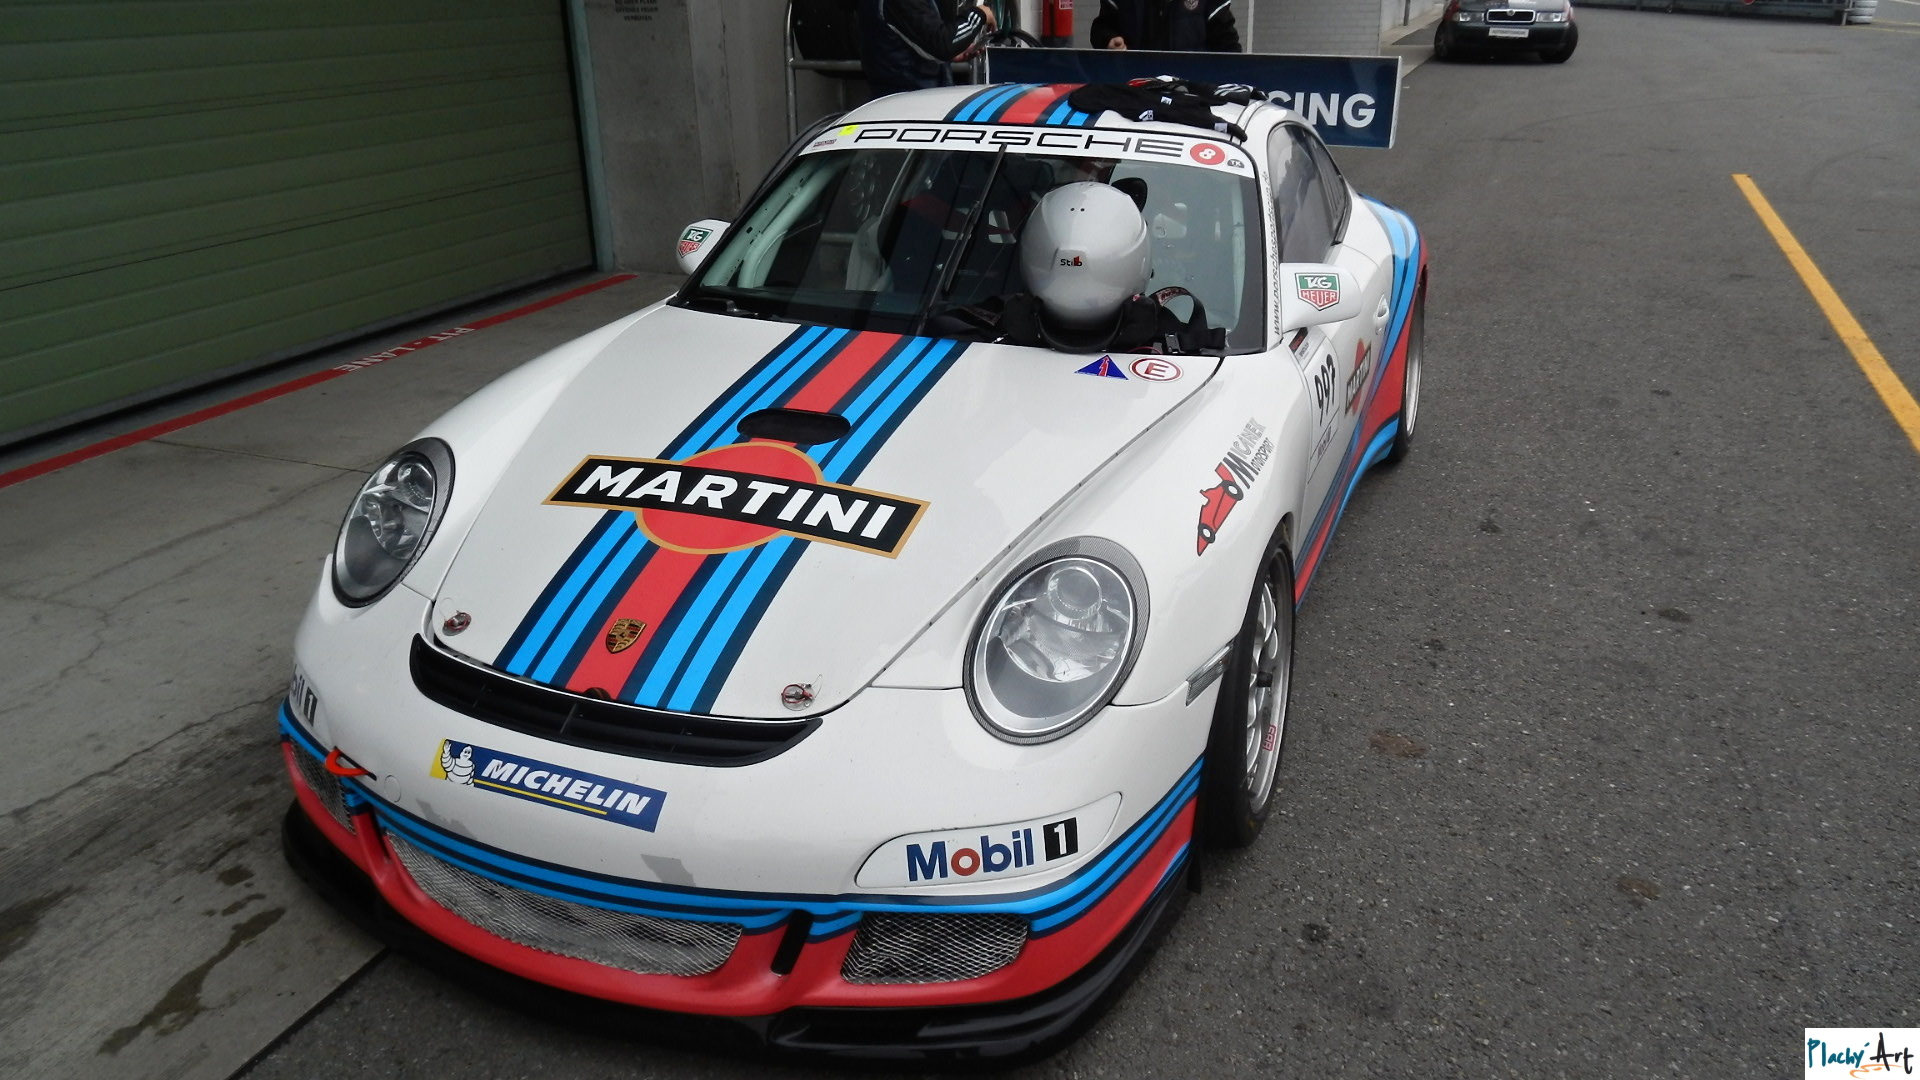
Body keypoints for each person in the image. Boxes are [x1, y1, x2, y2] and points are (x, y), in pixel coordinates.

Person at [858, 0, 999, 100]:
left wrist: (950, 52)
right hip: (907, 100)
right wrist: (979, 14)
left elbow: (920, 38)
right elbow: (942, 44)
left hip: (910, 95)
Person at [1090, 0, 1242, 52]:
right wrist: (1108, 40)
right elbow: (1102, 27)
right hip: (1132, 93)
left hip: (1193, 98)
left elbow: (1228, 49)